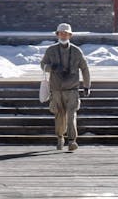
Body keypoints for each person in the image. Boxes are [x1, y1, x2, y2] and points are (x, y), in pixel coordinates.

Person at [40, 21, 91, 151]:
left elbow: (85, 68)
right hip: (56, 89)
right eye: (61, 33)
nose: (63, 36)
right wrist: (51, 67)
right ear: (57, 35)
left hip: (72, 89)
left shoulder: (76, 51)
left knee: (71, 115)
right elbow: (43, 65)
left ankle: (72, 140)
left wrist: (86, 86)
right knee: (59, 115)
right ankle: (60, 137)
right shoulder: (51, 50)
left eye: (66, 34)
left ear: (70, 35)